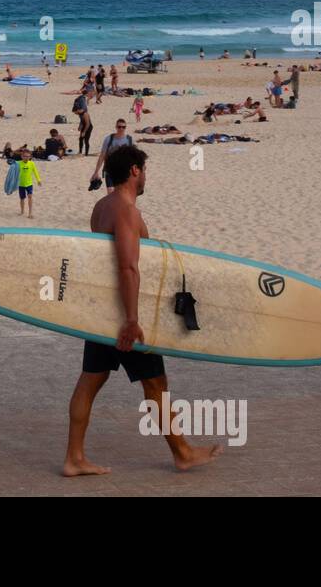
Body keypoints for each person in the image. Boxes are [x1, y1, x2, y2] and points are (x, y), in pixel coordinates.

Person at [64, 144, 221, 476]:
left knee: (90, 381)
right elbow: (128, 268)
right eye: (145, 170)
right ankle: (182, 453)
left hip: (101, 313)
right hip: (125, 315)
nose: (146, 176)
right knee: (155, 383)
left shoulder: (101, 207)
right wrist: (132, 320)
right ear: (134, 171)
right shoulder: (126, 211)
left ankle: (74, 457)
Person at [91, 119, 133, 193]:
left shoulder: (129, 140)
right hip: (110, 171)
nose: (121, 129)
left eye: (123, 127)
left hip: (124, 171)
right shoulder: (109, 139)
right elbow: (102, 156)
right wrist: (96, 171)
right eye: (119, 127)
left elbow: (133, 157)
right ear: (116, 127)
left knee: (122, 194)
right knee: (111, 193)